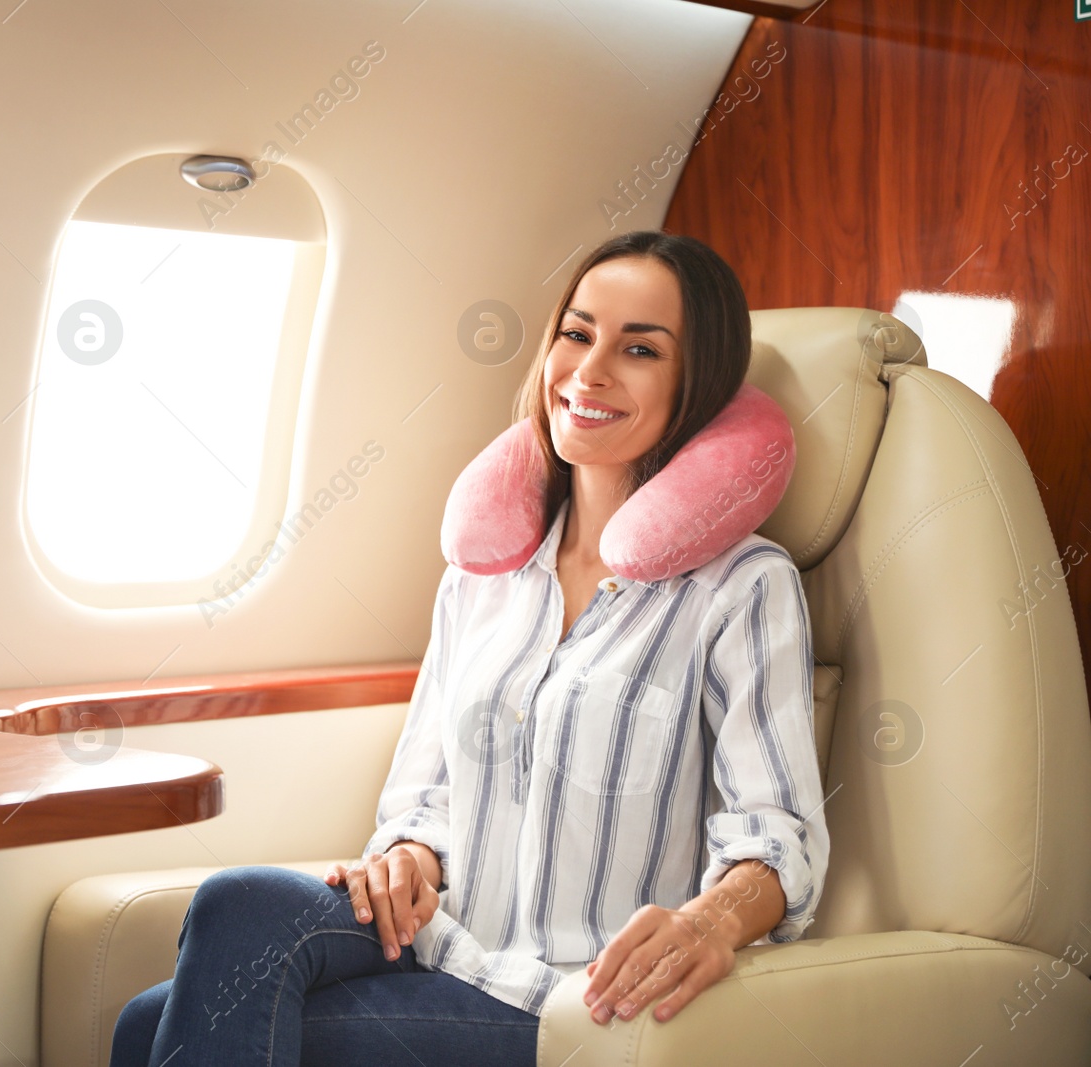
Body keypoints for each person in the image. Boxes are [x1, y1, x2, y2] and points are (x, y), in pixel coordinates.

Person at [109, 230, 829, 1066]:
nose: (590, 371)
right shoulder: (486, 572)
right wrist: (410, 854)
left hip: (573, 999)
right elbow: (424, 794)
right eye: (577, 332)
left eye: (640, 348)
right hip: (444, 946)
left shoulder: (742, 586)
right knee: (233, 907)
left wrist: (712, 919)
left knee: (159, 1033)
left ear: (694, 384)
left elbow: (776, 832)